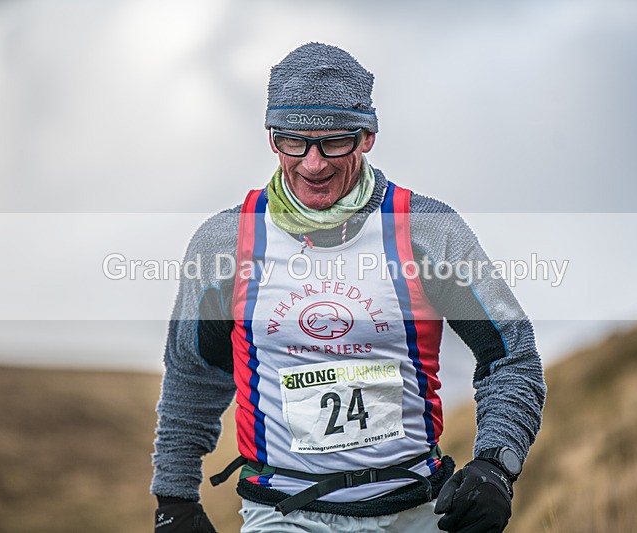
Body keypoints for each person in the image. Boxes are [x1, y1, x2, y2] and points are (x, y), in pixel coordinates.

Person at [151, 42, 546, 533]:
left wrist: (495, 464)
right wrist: (174, 498)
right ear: (273, 139)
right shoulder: (225, 243)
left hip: (414, 510)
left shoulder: (428, 230)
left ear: (367, 137)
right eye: (293, 142)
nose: (313, 164)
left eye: (334, 142)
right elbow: (193, 374)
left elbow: (512, 355)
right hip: (282, 514)